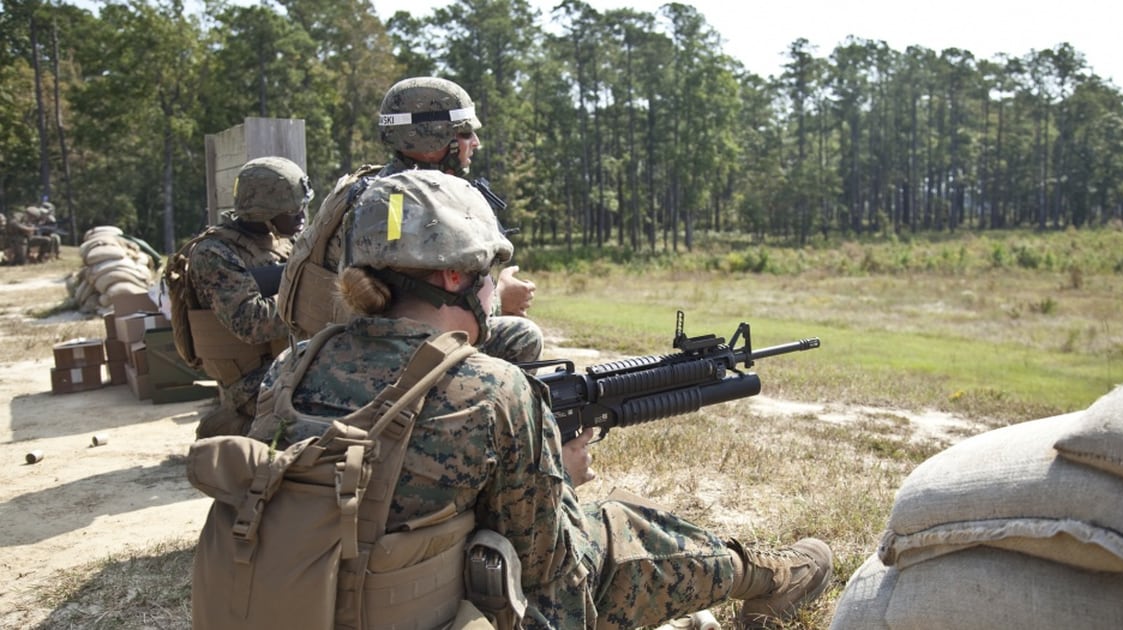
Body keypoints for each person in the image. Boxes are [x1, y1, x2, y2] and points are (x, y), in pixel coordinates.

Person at [247, 168, 833, 629]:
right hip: (432, 608)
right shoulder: (493, 389)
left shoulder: (291, 367)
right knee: (623, 533)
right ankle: (768, 577)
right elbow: (557, 583)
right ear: (454, 276)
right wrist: (564, 479)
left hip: (310, 605)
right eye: (489, 272)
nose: (492, 289)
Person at [294, 75, 541, 363]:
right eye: (464, 133)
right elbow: (399, 307)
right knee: (521, 337)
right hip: (378, 354)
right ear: (433, 137)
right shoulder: (396, 204)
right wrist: (499, 296)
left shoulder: (385, 191)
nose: (475, 142)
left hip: (358, 343)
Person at [183, 156, 311, 438]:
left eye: (303, 206)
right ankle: (234, 426)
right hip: (250, 383)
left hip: (290, 360)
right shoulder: (214, 253)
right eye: (292, 211)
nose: (301, 216)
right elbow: (251, 323)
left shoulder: (283, 242)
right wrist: (313, 296)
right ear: (262, 213)